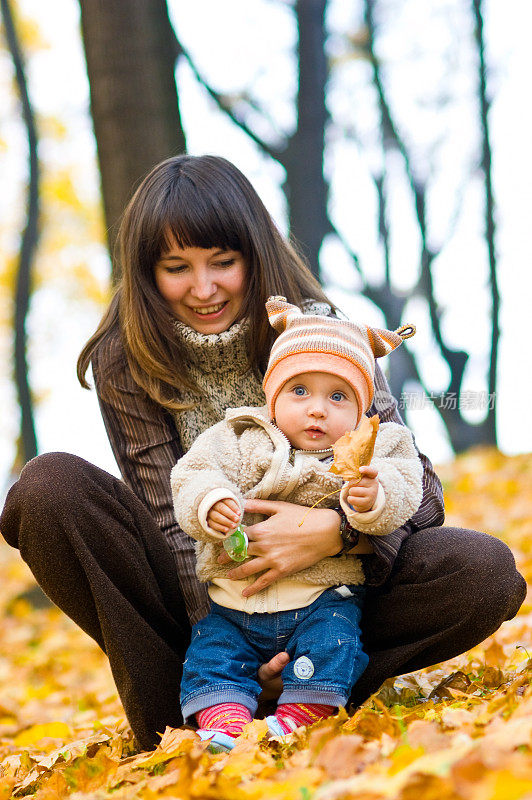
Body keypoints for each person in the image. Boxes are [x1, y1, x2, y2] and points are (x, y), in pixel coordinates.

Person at [0, 155, 525, 752]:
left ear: (255, 253)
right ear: (147, 273)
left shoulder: (325, 334)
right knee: (47, 489)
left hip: (336, 595)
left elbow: (420, 492)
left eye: (223, 263)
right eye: (177, 268)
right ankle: (187, 721)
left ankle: (318, 688)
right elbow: (170, 522)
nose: (204, 288)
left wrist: (337, 533)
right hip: (212, 602)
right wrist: (233, 646)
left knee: (483, 572)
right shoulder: (126, 356)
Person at [171, 296, 424, 751]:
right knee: (211, 655)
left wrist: (373, 500)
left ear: (363, 409)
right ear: (273, 399)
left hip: (322, 598)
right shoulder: (241, 437)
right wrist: (212, 502)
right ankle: (223, 725)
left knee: (335, 643)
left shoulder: (376, 448)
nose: (317, 410)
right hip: (235, 603)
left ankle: (299, 718)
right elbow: (194, 473)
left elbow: (408, 485)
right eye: (300, 391)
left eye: (338, 396)